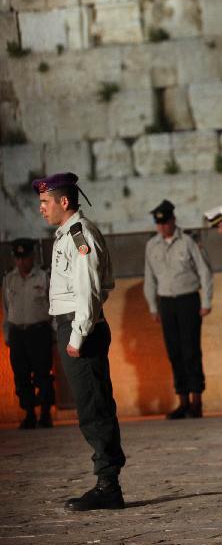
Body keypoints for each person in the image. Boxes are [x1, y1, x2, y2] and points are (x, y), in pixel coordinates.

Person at [33, 172, 125, 511]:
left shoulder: (78, 235)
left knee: (94, 407)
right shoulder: (64, 235)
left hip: (79, 326)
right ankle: (106, 480)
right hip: (73, 324)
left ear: (64, 201)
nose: (41, 209)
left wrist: (78, 335)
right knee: (91, 406)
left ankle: (108, 485)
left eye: (45, 202)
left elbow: (88, 290)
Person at [143, 200, 214, 419]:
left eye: (166, 223)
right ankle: (182, 400)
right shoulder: (152, 245)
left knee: (191, 350)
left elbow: (205, 271)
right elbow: (150, 279)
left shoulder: (188, 241)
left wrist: (206, 302)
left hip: (188, 300)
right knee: (174, 352)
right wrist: (153, 306)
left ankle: (196, 401)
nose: (163, 227)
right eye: (159, 224)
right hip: (167, 303)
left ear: (173, 220)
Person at [2, 238, 54, 429]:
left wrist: (54, 332)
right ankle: (30, 413)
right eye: (18, 258)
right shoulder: (9, 279)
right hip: (18, 334)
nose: (21, 262)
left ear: (33, 257)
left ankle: (46, 413)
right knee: (21, 376)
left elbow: (53, 305)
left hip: (39, 331)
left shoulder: (43, 277)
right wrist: (7, 334)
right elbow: (7, 309)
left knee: (43, 374)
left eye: (25, 258)